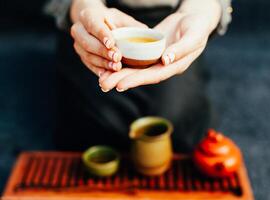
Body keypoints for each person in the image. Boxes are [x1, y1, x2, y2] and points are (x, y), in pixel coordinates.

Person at [45, 0, 232, 152]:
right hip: (98, 16)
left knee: (175, 128)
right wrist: (83, 6)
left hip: (175, 19)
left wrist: (202, 10)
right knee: (96, 130)